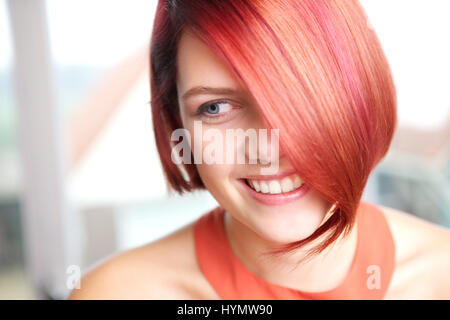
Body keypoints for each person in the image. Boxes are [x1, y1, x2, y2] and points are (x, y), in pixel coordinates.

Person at [69, 0, 450, 299]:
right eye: (215, 108)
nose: (267, 150)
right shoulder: (116, 293)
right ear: (178, 122)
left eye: (300, 94)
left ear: (363, 96)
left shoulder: (441, 274)